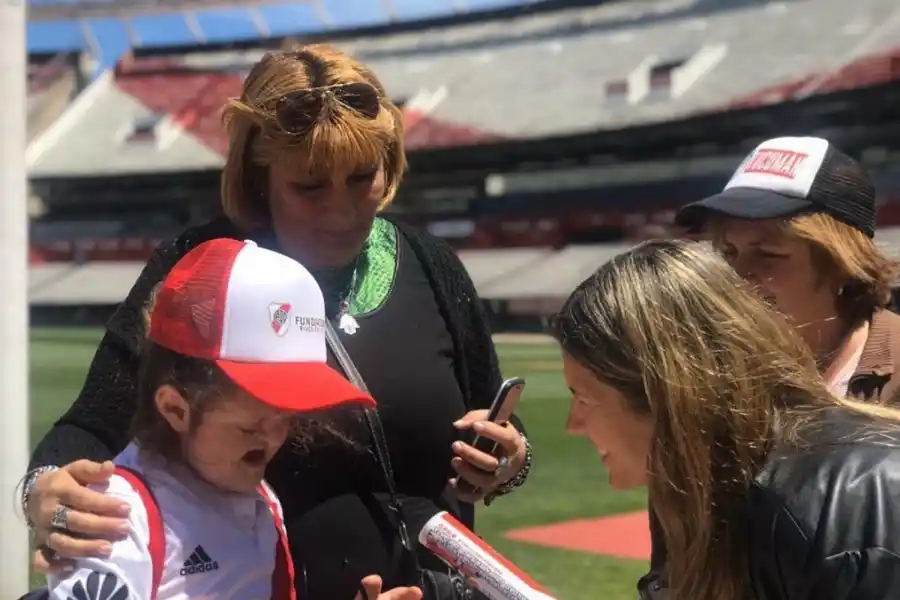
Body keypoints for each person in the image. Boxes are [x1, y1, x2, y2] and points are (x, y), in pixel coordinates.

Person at [23, 44, 531, 600]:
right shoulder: (201, 268)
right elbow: (94, 424)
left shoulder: (433, 266)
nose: (341, 210)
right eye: (310, 186)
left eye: (363, 177)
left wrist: (508, 458)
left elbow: (497, 417)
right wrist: (45, 490)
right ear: (258, 175)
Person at [46, 237, 420, 600]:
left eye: (287, 419)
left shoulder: (259, 498)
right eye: (250, 427)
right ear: (176, 409)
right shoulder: (118, 515)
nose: (273, 439)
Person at [550, 239, 900, 600]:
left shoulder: (850, 505)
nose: (572, 425)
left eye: (584, 398)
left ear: (667, 394)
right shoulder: (696, 487)